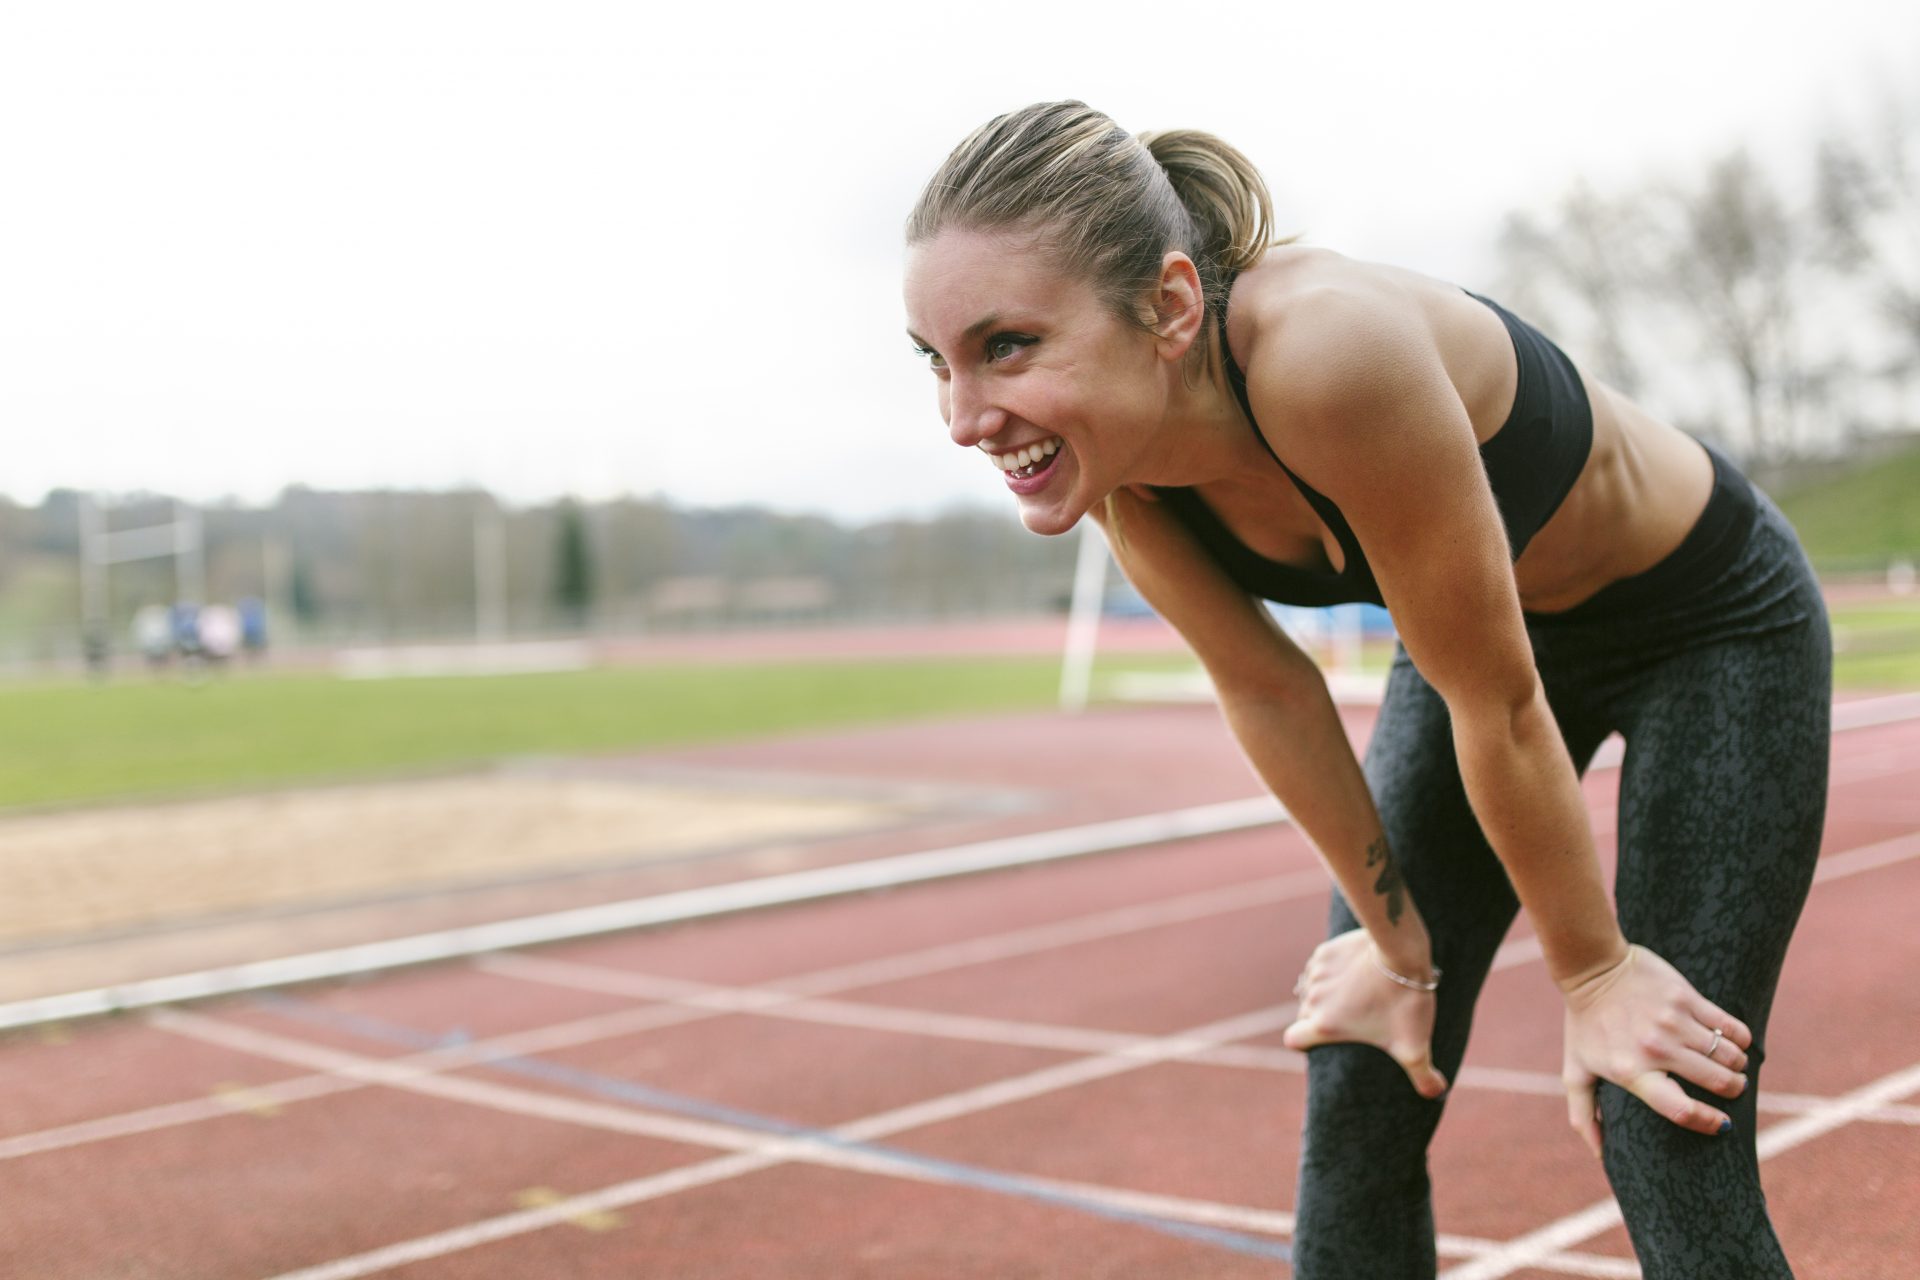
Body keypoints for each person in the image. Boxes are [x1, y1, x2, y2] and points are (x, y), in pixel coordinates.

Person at [901, 101, 1830, 1278]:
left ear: (1173, 307)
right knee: (1364, 1057)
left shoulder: (1327, 353)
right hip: (1471, 650)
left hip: (1706, 624)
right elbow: (1273, 693)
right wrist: (1394, 946)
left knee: (1659, 1107)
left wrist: (1593, 971)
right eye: (939, 361)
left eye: (1008, 346)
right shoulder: (1128, 484)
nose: (965, 417)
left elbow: (1496, 697)